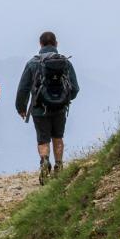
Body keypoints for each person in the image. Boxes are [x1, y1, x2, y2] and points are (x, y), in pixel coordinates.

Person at [15, 31, 79, 184]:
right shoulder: (65, 62)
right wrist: (64, 100)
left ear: (40, 44)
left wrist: (21, 107)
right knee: (58, 137)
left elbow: (23, 88)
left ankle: (44, 161)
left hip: (39, 108)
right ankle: (58, 165)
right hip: (60, 108)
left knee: (43, 139)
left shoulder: (32, 63)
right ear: (56, 44)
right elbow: (75, 88)